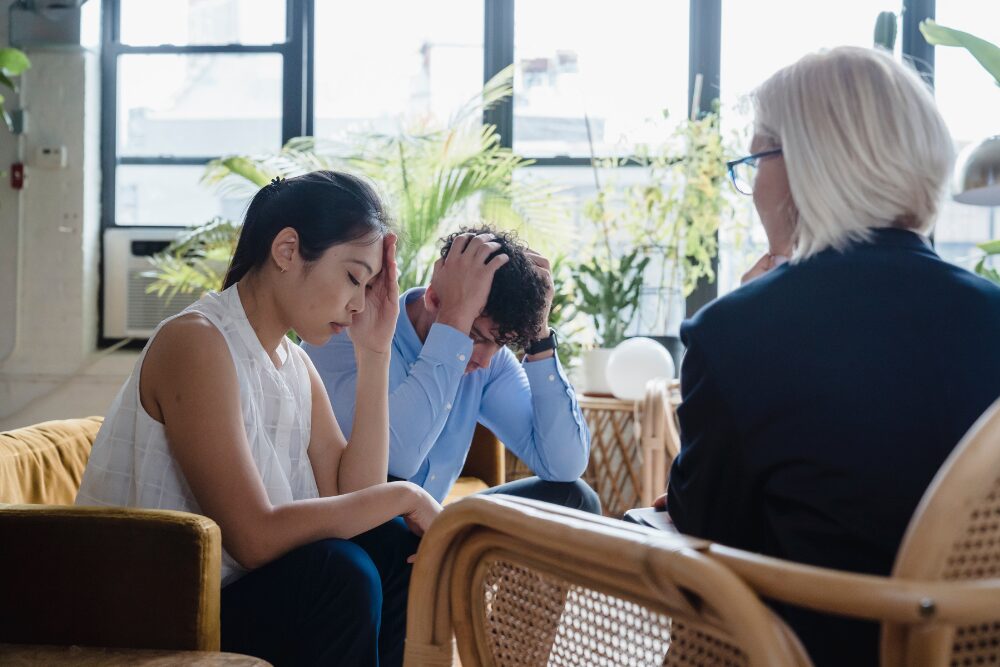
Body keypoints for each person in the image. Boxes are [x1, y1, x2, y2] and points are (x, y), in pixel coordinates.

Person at [644, 47, 1000, 666]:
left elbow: (702, 542)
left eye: (755, 159)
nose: (751, 186)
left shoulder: (736, 332)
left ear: (806, 165)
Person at [76, 171, 443, 667]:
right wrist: (408, 494)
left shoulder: (294, 364)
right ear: (288, 250)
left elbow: (355, 496)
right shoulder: (198, 342)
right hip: (162, 610)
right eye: (354, 277)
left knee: (395, 551)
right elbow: (253, 538)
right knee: (340, 573)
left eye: (369, 286)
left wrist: (374, 353)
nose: (359, 303)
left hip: (240, 596)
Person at [304, 225, 599, 513]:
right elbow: (397, 462)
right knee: (390, 507)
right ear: (433, 299)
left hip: (431, 525)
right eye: (475, 337)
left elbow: (564, 465)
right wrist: (456, 322)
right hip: (359, 525)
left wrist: (539, 336)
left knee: (575, 498)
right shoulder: (350, 331)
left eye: (500, 344)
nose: (485, 361)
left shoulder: (489, 362)